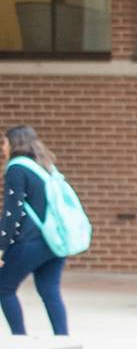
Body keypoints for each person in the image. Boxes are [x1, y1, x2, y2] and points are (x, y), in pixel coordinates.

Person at [1, 125, 73, 337]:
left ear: (15, 143)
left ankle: (20, 339)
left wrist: (1, 247)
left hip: (29, 241)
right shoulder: (44, 166)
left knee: (4, 288)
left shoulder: (16, 168)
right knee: (50, 291)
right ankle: (63, 340)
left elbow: (12, 212)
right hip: (55, 242)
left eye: (4, 142)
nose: (3, 147)